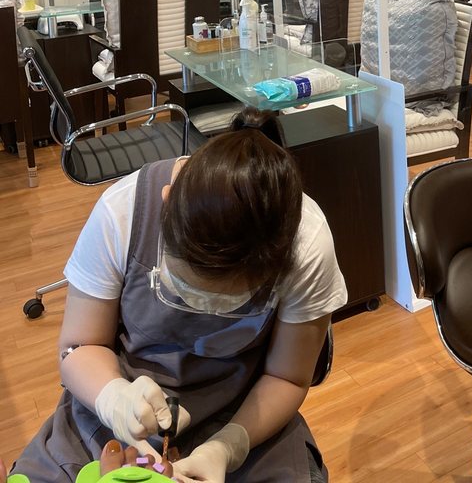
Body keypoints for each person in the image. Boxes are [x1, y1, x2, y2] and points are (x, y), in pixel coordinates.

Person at [11, 109, 347, 483]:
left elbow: (288, 377)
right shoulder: (121, 213)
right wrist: (113, 397)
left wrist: (229, 446)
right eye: (184, 289)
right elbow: (79, 346)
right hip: (121, 400)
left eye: (228, 303)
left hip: (244, 410)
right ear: (166, 201)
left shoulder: (306, 244)